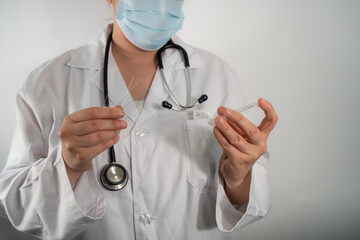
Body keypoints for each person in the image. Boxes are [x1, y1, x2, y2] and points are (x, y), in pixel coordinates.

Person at [0, 0, 278, 239]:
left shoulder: (218, 74)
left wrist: (239, 177)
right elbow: (17, 207)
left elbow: (250, 202)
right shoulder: (48, 83)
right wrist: (65, 167)